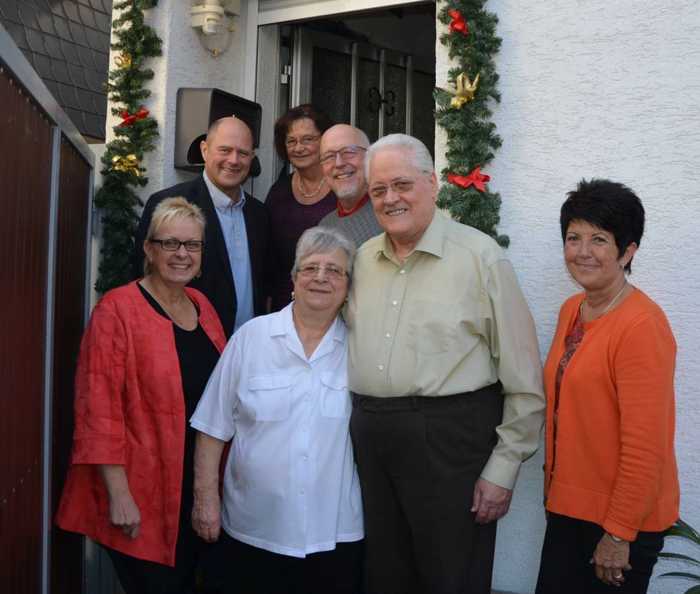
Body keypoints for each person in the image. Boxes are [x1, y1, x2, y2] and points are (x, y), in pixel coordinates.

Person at [346, 134, 545, 594]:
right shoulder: (359, 261)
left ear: (432, 184)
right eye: (378, 190)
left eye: (402, 184)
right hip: (372, 444)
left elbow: (524, 377)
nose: (390, 198)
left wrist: (503, 467)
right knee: (383, 576)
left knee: (451, 578)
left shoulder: (481, 258)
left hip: (452, 444)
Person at [56, 197, 227, 593]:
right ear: (149, 250)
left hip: (196, 487)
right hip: (141, 492)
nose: (182, 254)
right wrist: (119, 496)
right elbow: (98, 409)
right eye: (170, 243)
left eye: (193, 245)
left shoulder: (203, 307)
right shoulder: (117, 310)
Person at [189, 226, 364, 594]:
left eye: (334, 270)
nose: (321, 277)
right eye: (310, 268)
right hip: (252, 531)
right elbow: (211, 427)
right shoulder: (251, 338)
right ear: (293, 279)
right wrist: (206, 501)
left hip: (333, 535)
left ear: (348, 286)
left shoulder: (360, 350)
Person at [535, 179, 679, 594]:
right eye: (573, 237)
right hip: (568, 509)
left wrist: (618, 533)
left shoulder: (642, 325)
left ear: (628, 250)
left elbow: (645, 445)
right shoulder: (572, 310)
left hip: (618, 524)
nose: (582, 251)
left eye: (599, 239)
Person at [133, 116, 270, 338]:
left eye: (243, 153)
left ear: (251, 157)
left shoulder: (260, 215)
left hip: (248, 350)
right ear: (205, 150)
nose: (234, 160)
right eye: (224, 150)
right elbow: (142, 280)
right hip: (188, 346)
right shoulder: (168, 203)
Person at [266, 105, 336, 311]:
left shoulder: (342, 187)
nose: (299, 148)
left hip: (332, 301)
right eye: (291, 141)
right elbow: (269, 257)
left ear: (325, 141)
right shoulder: (278, 192)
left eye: (308, 139)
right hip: (285, 304)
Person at [318, 124, 382, 246]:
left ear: (370, 157)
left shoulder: (389, 214)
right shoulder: (325, 226)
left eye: (348, 152)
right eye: (329, 156)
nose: (338, 163)